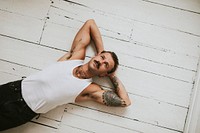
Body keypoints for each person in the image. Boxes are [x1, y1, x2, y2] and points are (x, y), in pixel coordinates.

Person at [0, 19, 131, 131]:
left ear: (103, 74)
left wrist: (112, 75)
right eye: (102, 57)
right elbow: (90, 23)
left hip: (21, 111)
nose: (101, 61)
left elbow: (125, 101)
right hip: (13, 89)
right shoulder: (75, 57)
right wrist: (102, 51)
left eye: (105, 65)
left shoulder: (89, 89)